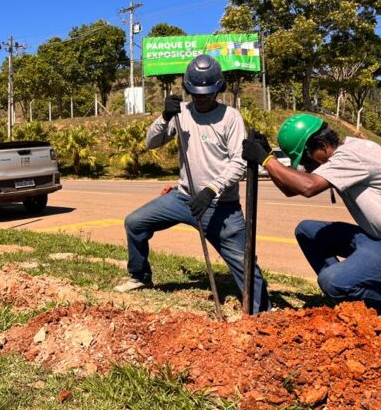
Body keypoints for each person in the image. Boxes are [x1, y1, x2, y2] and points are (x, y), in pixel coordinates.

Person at [242, 114, 381, 332]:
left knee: (333, 281)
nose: (307, 167)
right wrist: (269, 157)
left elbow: (307, 187)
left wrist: (267, 161)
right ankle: (349, 293)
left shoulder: (354, 156)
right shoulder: (339, 155)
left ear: (321, 145)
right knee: (307, 231)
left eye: (307, 159)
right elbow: (291, 189)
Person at [114, 54, 272, 314]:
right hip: (183, 198)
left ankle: (261, 311)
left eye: (208, 93)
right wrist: (164, 117)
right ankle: (140, 276)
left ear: (219, 89)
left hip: (222, 205)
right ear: (188, 89)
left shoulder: (230, 117)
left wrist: (212, 190)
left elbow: (238, 163)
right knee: (135, 223)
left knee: (244, 263)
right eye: (196, 93)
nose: (202, 98)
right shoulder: (181, 113)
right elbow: (151, 143)